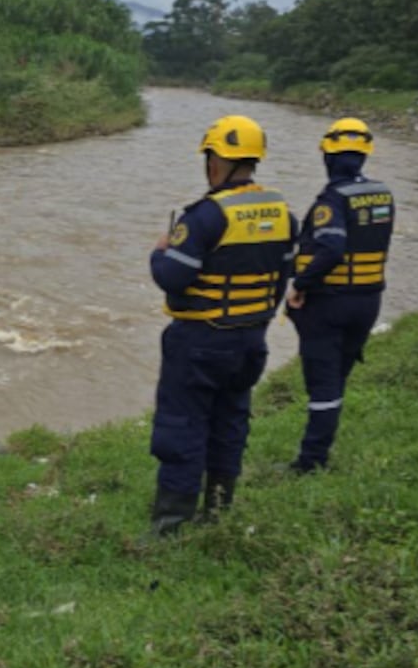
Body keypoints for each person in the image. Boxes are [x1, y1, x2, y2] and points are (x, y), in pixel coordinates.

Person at [147, 115, 298, 536]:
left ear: (215, 160)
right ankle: (218, 509)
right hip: (251, 340)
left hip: (199, 340)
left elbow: (171, 277)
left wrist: (159, 252)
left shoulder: (204, 217)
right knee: (230, 421)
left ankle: (171, 524)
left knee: (182, 426)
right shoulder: (284, 213)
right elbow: (282, 278)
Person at [285, 118, 394, 474]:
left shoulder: (332, 199)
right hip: (368, 300)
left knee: (323, 383)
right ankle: (320, 444)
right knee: (337, 377)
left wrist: (300, 284)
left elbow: (331, 248)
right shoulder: (383, 194)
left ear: (328, 156)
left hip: (331, 302)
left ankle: (311, 461)